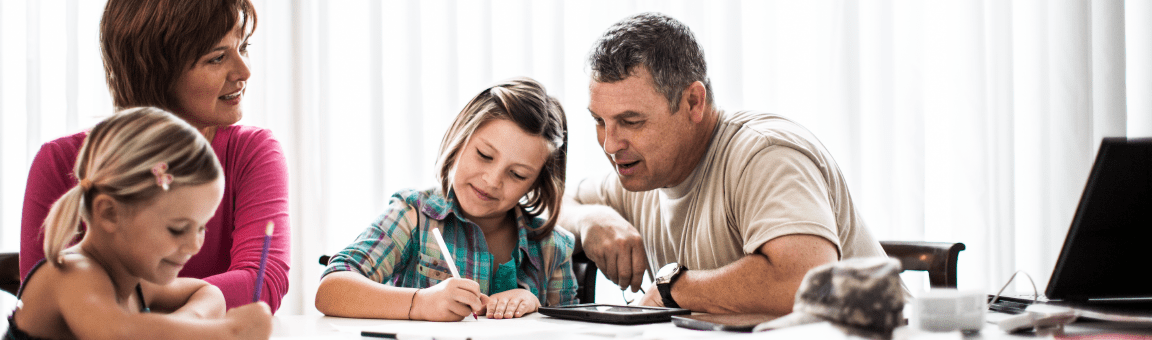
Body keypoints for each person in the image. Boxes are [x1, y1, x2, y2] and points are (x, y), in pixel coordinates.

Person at [560, 12, 889, 315]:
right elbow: (545, 202)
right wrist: (591, 217)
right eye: (599, 121)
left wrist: (671, 289)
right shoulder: (642, 170)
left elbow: (804, 283)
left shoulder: (766, 154)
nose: (610, 144)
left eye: (631, 121)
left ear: (693, 102)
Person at [19, 0, 290, 311]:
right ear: (155, 70)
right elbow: (50, 303)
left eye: (244, 46)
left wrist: (125, 303)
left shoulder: (252, 152)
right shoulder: (59, 162)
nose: (245, 71)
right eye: (217, 58)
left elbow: (262, 282)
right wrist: (195, 311)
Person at [315, 77, 576, 321]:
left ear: (538, 182)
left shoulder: (553, 247)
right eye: (484, 155)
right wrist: (420, 303)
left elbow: (573, 331)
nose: (492, 180)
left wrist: (534, 307)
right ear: (460, 139)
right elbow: (330, 290)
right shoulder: (414, 216)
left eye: (517, 174)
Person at [6, 107, 272, 340]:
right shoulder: (73, 274)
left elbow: (210, 293)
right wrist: (227, 333)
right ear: (110, 213)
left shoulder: (133, 282)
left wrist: (185, 323)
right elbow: (119, 334)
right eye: (178, 228)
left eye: (201, 227)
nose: (194, 245)